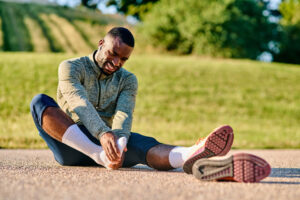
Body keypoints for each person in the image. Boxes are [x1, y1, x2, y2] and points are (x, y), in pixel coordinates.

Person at [30, 27, 270, 182]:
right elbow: (79, 103)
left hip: (110, 144)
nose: (116, 63)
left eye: (123, 59)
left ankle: (195, 157)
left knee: (145, 144)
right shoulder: (71, 67)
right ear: (101, 43)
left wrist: (120, 143)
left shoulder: (128, 80)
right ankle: (100, 157)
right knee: (40, 102)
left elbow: (124, 113)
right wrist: (103, 138)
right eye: (113, 54)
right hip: (73, 144)